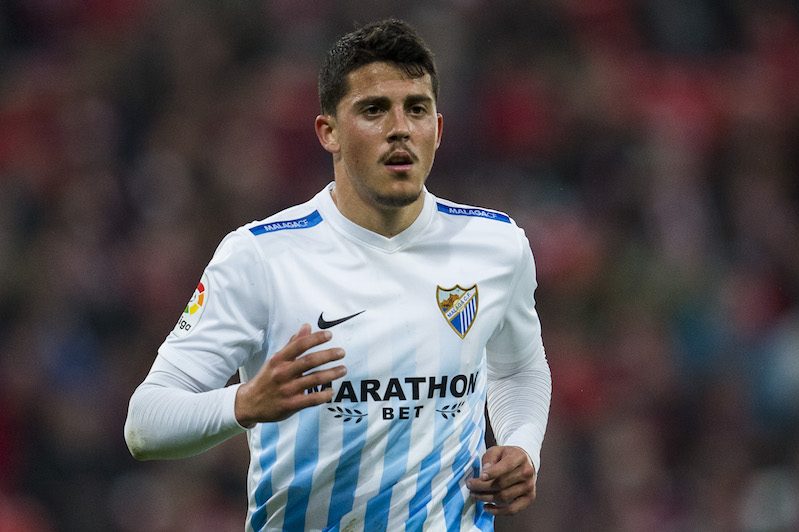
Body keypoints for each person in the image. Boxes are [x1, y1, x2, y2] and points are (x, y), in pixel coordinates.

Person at [124, 18, 551, 531]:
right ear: (329, 132)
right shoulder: (260, 257)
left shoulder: (496, 245)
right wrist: (244, 403)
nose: (400, 128)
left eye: (416, 109)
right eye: (374, 110)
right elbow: (145, 423)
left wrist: (522, 446)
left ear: (437, 130)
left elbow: (519, 369)